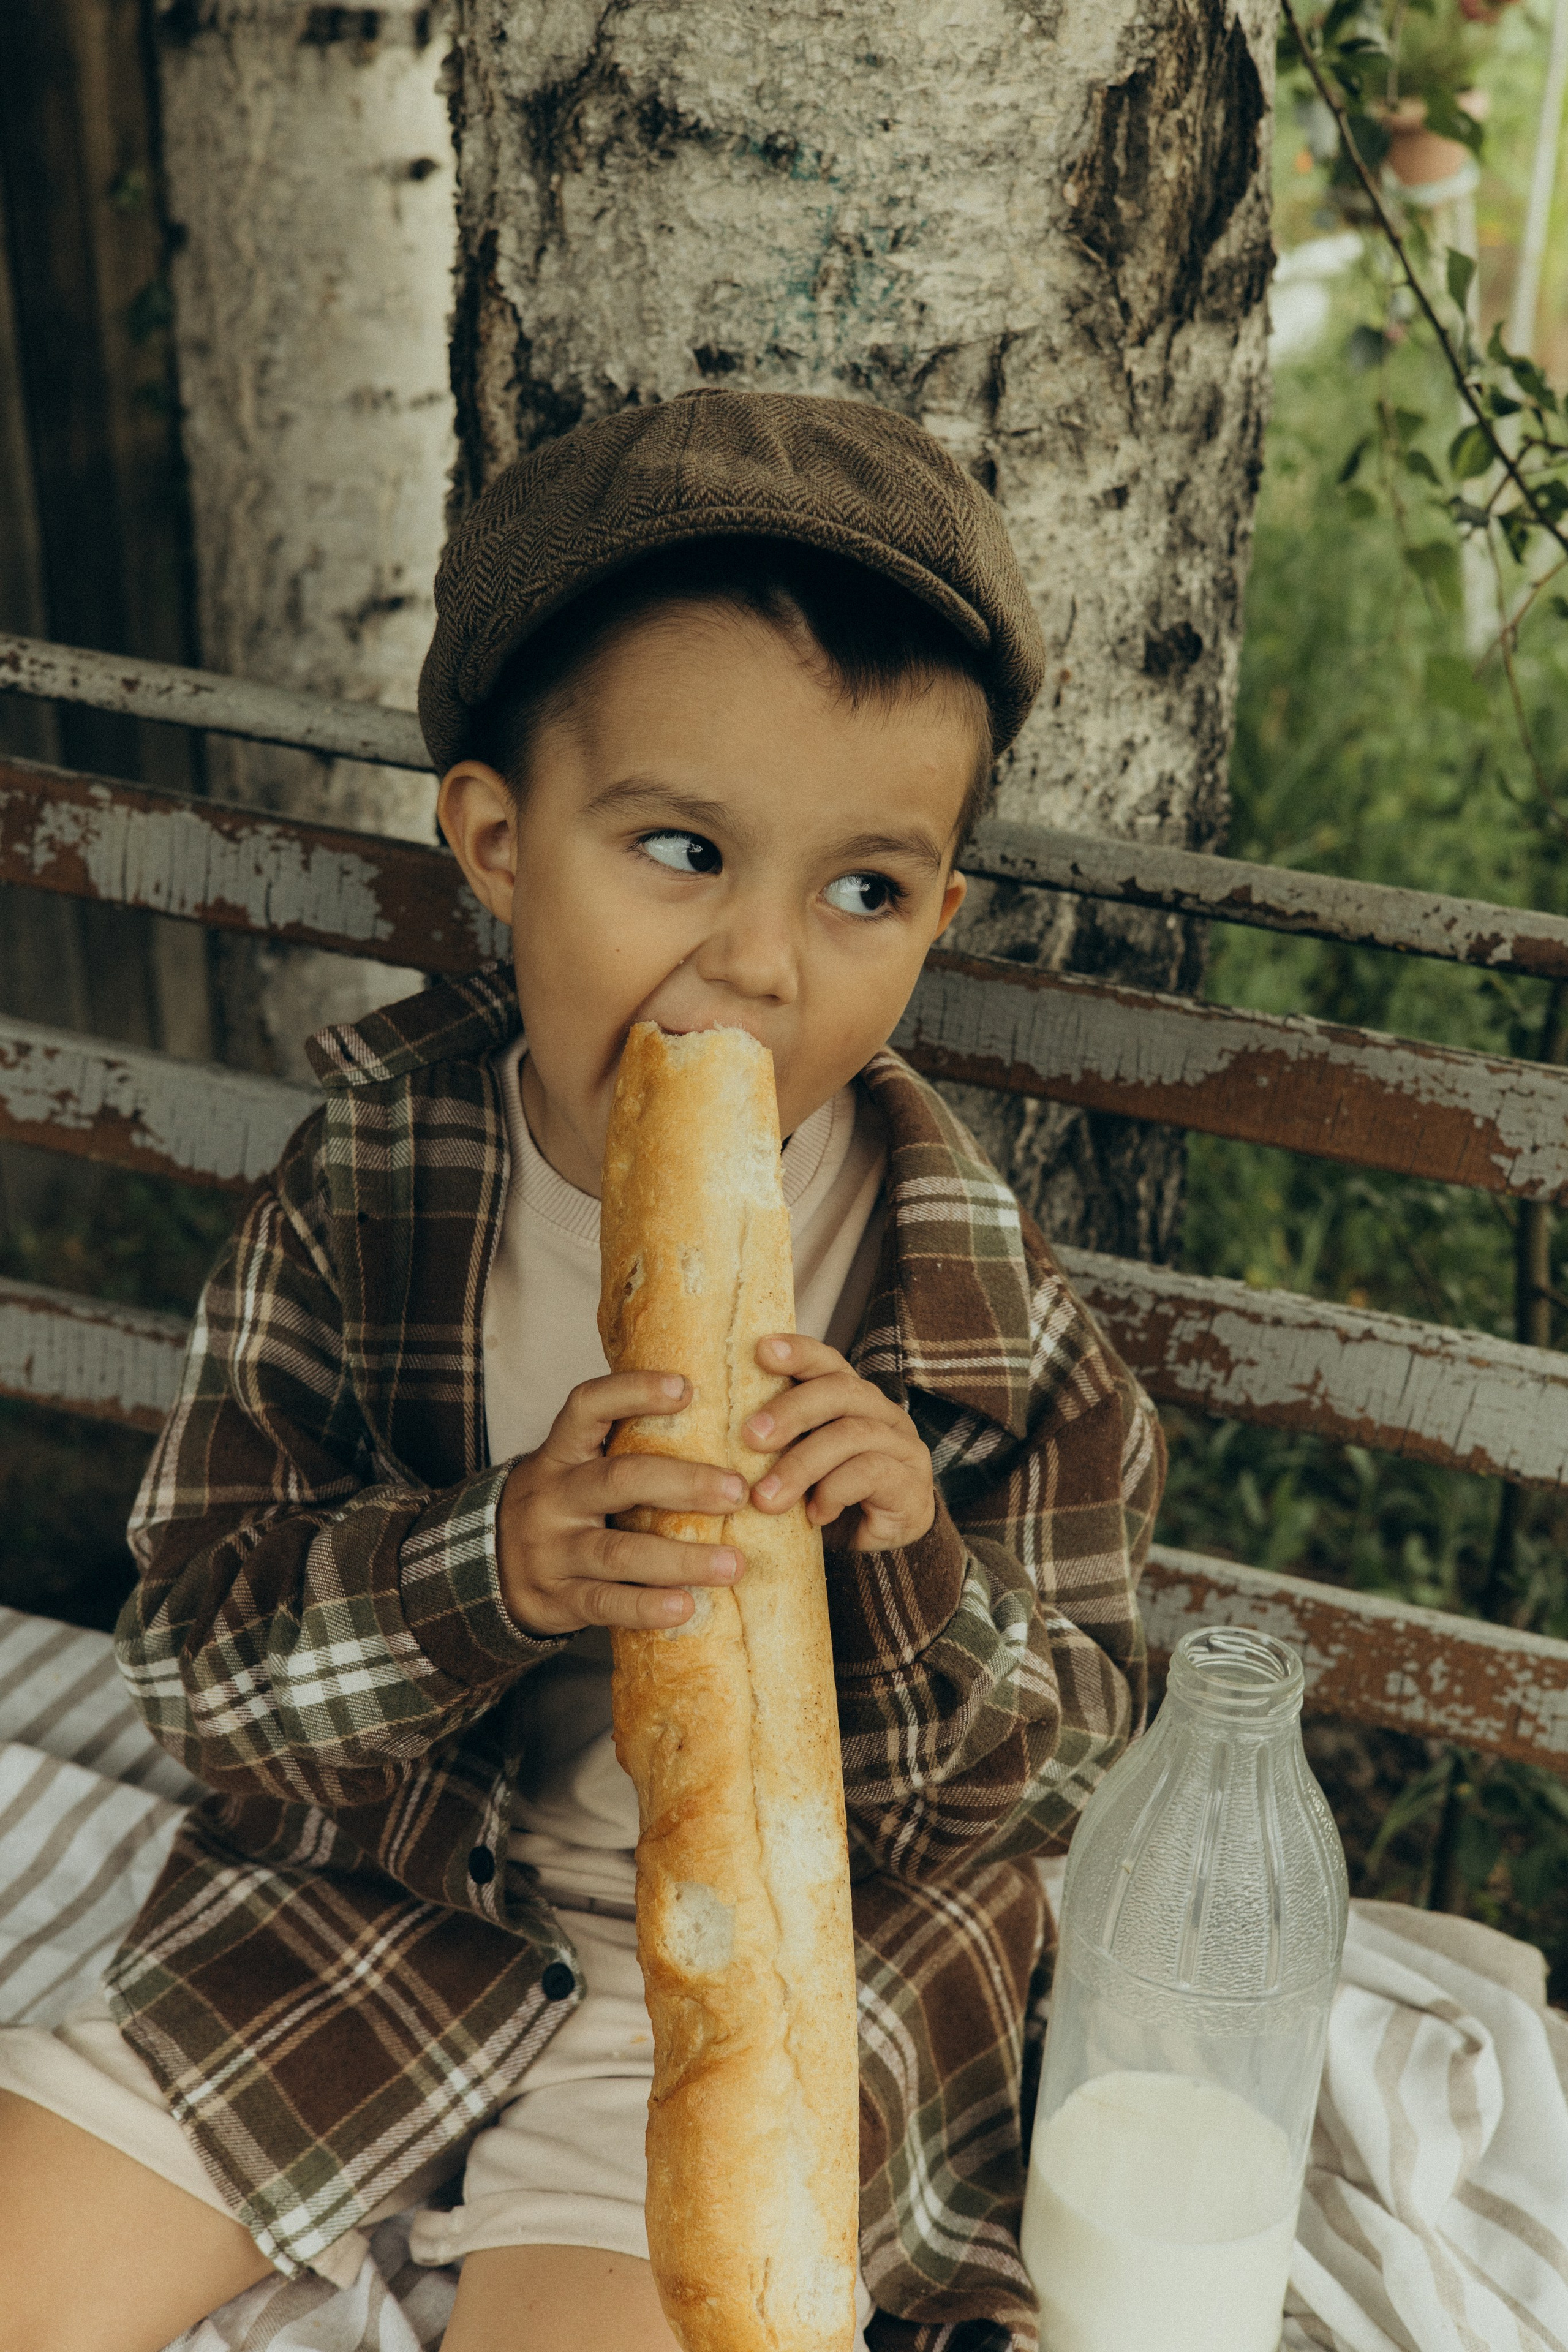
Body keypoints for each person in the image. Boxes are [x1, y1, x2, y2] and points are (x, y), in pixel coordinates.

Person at [0, 391, 1163, 2352]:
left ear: (941, 916)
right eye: (685, 849)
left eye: (864, 889)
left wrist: (906, 1568)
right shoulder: (360, 1194)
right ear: (497, 841)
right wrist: (491, 1567)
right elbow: (201, 1672)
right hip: (360, 1906)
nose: (766, 963)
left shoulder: (977, 1296)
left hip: (771, 1986)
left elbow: (1068, 1762)